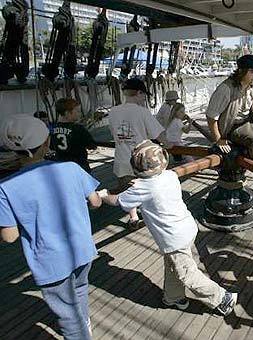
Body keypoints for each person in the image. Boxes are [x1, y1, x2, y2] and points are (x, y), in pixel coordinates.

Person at [97, 140, 238, 316]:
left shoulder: (143, 187)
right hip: (186, 227)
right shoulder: (169, 175)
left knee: (187, 274)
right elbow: (148, 185)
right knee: (174, 265)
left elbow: (118, 200)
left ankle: (221, 298)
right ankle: (173, 297)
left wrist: (102, 195)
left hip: (173, 238)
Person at [0, 115, 102, 340]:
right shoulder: (72, 168)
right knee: (80, 289)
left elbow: (9, 236)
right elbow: (95, 202)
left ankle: (80, 332)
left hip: (50, 261)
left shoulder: (5, 188)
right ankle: (85, 325)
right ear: (46, 143)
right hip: (82, 248)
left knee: (67, 315)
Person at [206, 54, 253, 192]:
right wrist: (219, 140)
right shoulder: (226, 89)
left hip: (248, 120)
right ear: (241, 71)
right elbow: (211, 117)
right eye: (252, 71)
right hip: (232, 126)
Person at [108, 78, 169, 229]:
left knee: (127, 188)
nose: (144, 98)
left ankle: (133, 217)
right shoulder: (142, 112)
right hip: (142, 160)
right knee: (149, 187)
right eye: (144, 95)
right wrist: (169, 145)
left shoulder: (113, 112)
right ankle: (150, 214)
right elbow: (158, 135)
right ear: (139, 93)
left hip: (122, 158)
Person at [51, 98, 97, 173]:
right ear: (67, 113)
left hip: (62, 168)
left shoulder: (53, 129)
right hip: (79, 167)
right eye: (77, 111)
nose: (79, 113)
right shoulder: (78, 129)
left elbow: (52, 146)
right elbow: (92, 145)